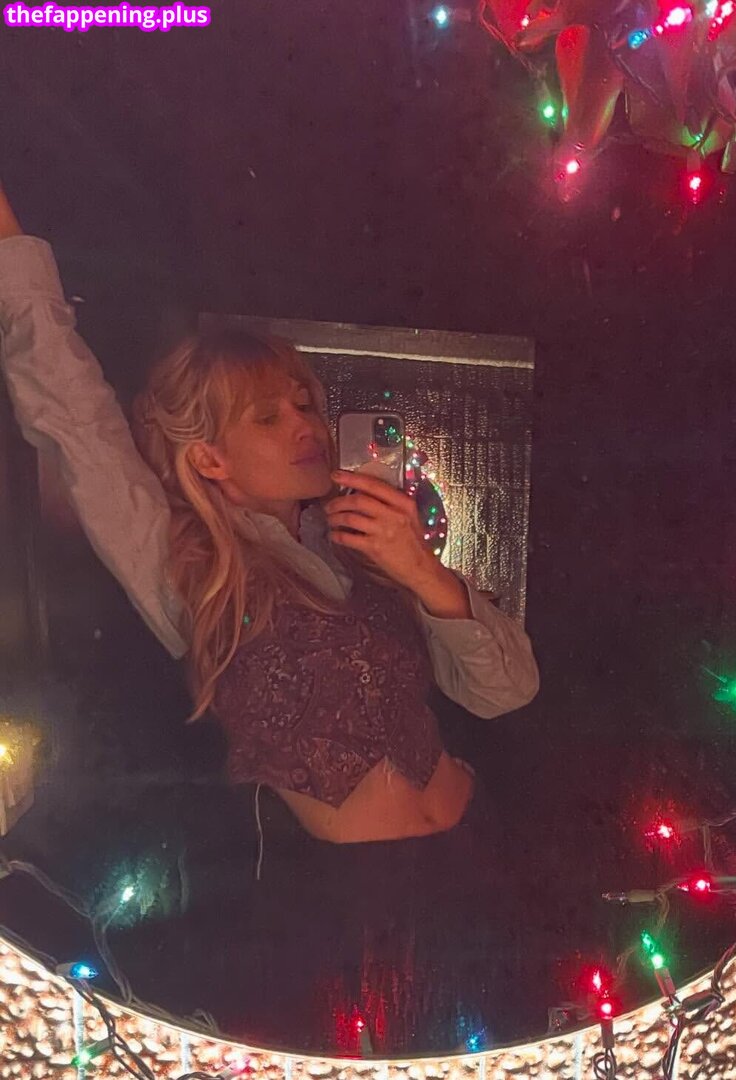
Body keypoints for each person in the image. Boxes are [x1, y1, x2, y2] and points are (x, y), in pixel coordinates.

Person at [0, 182, 540, 848]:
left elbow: (507, 692)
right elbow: (72, 415)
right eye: (266, 417)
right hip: (348, 884)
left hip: (481, 836)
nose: (303, 425)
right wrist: (11, 247)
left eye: (303, 404)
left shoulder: (362, 542)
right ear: (208, 458)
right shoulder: (186, 561)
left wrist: (422, 572)